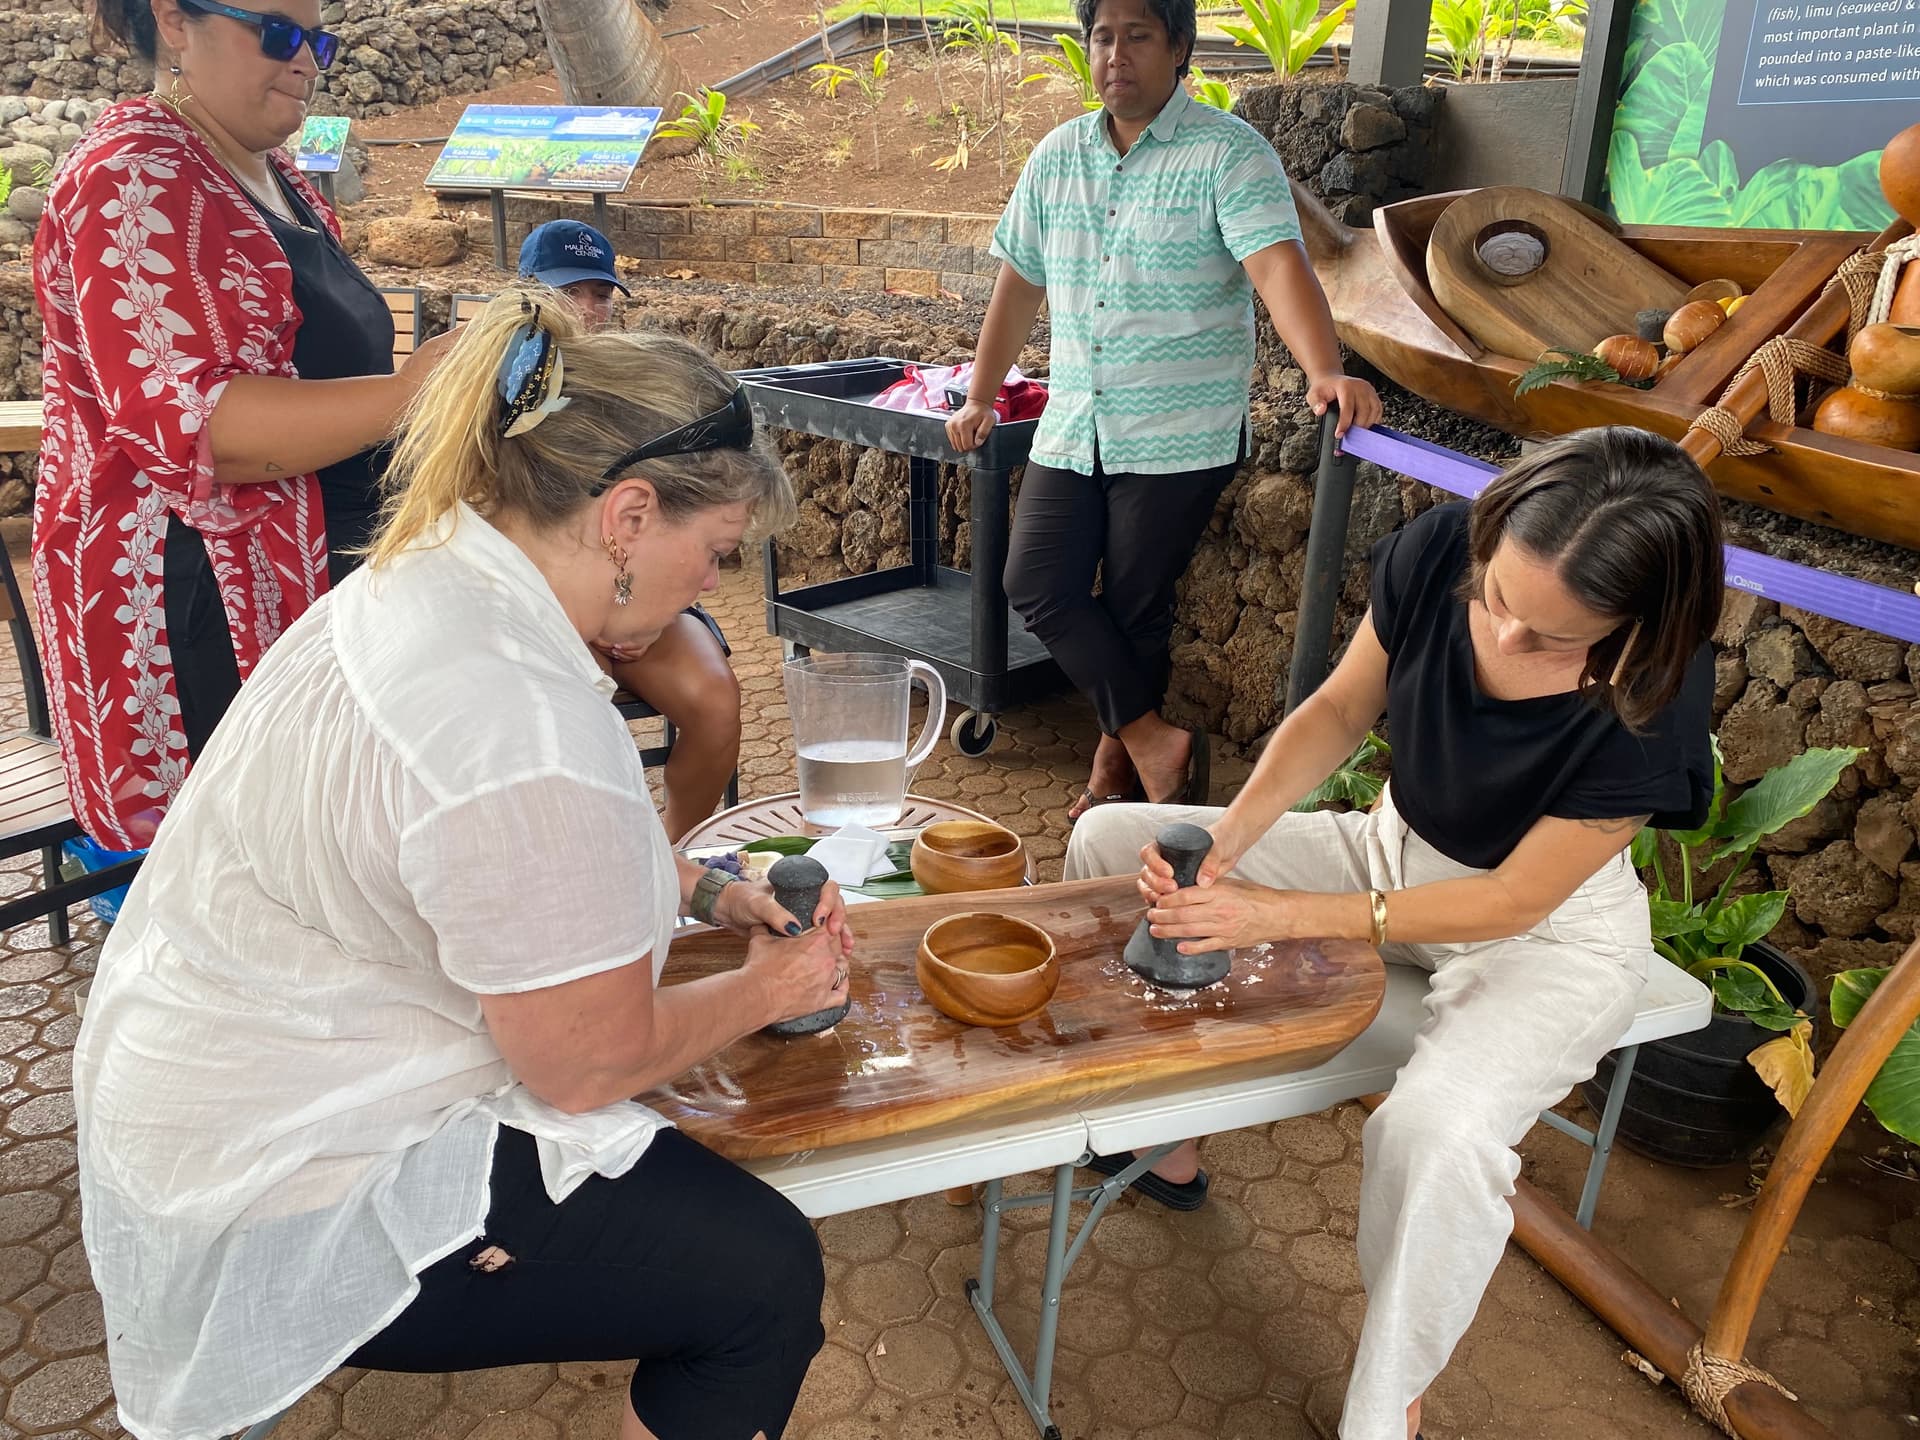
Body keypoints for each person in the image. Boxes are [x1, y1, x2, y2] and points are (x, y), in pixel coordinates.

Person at [74, 291, 853, 1440]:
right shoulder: (520, 720)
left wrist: (701, 888)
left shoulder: (428, 574)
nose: (712, 587)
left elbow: (470, 858)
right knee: (763, 1277)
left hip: (185, 1082)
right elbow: (586, 1066)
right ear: (629, 514)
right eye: (716, 554)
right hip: (284, 1171)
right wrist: (768, 990)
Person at [1066, 427, 1723, 1440]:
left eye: (1550, 639)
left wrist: (1275, 917)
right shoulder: (1436, 552)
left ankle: (1388, 1406)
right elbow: (1335, 711)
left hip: (1544, 938)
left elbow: (1510, 904)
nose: (1504, 640)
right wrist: (1231, 847)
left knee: (1436, 1135)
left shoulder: (1655, 692)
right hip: (1390, 852)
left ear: (1637, 629)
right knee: (1113, 839)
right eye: (1495, 600)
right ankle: (1168, 1139)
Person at [946, 0, 1382, 827]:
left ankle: (1121, 773)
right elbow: (1018, 286)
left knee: (1138, 611)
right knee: (1034, 581)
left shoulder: (1227, 153)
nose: (1116, 55)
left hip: (1181, 433)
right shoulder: (1055, 157)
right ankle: (1153, 741)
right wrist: (978, 392)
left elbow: (1278, 269)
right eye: (1102, 37)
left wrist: (1324, 369)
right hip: (1076, 425)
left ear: (1179, 48)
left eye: (1138, 36)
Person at [34, 0, 449, 850]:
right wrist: (419, 390)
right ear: (175, 21)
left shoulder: (277, 179)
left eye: (318, 39)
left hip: (319, 581)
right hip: (207, 599)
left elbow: (327, 381)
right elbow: (200, 427)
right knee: (255, 869)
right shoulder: (131, 175)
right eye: (278, 32)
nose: (306, 61)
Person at [520, 218, 744, 840]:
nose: (587, 309)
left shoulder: (635, 381)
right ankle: (600, 853)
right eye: (570, 292)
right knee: (576, 710)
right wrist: (605, 619)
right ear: (525, 292)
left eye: (599, 294)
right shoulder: (504, 390)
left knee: (715, 701)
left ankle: (678, 851)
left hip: (639, 588)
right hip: (548, 603)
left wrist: (643, 615)